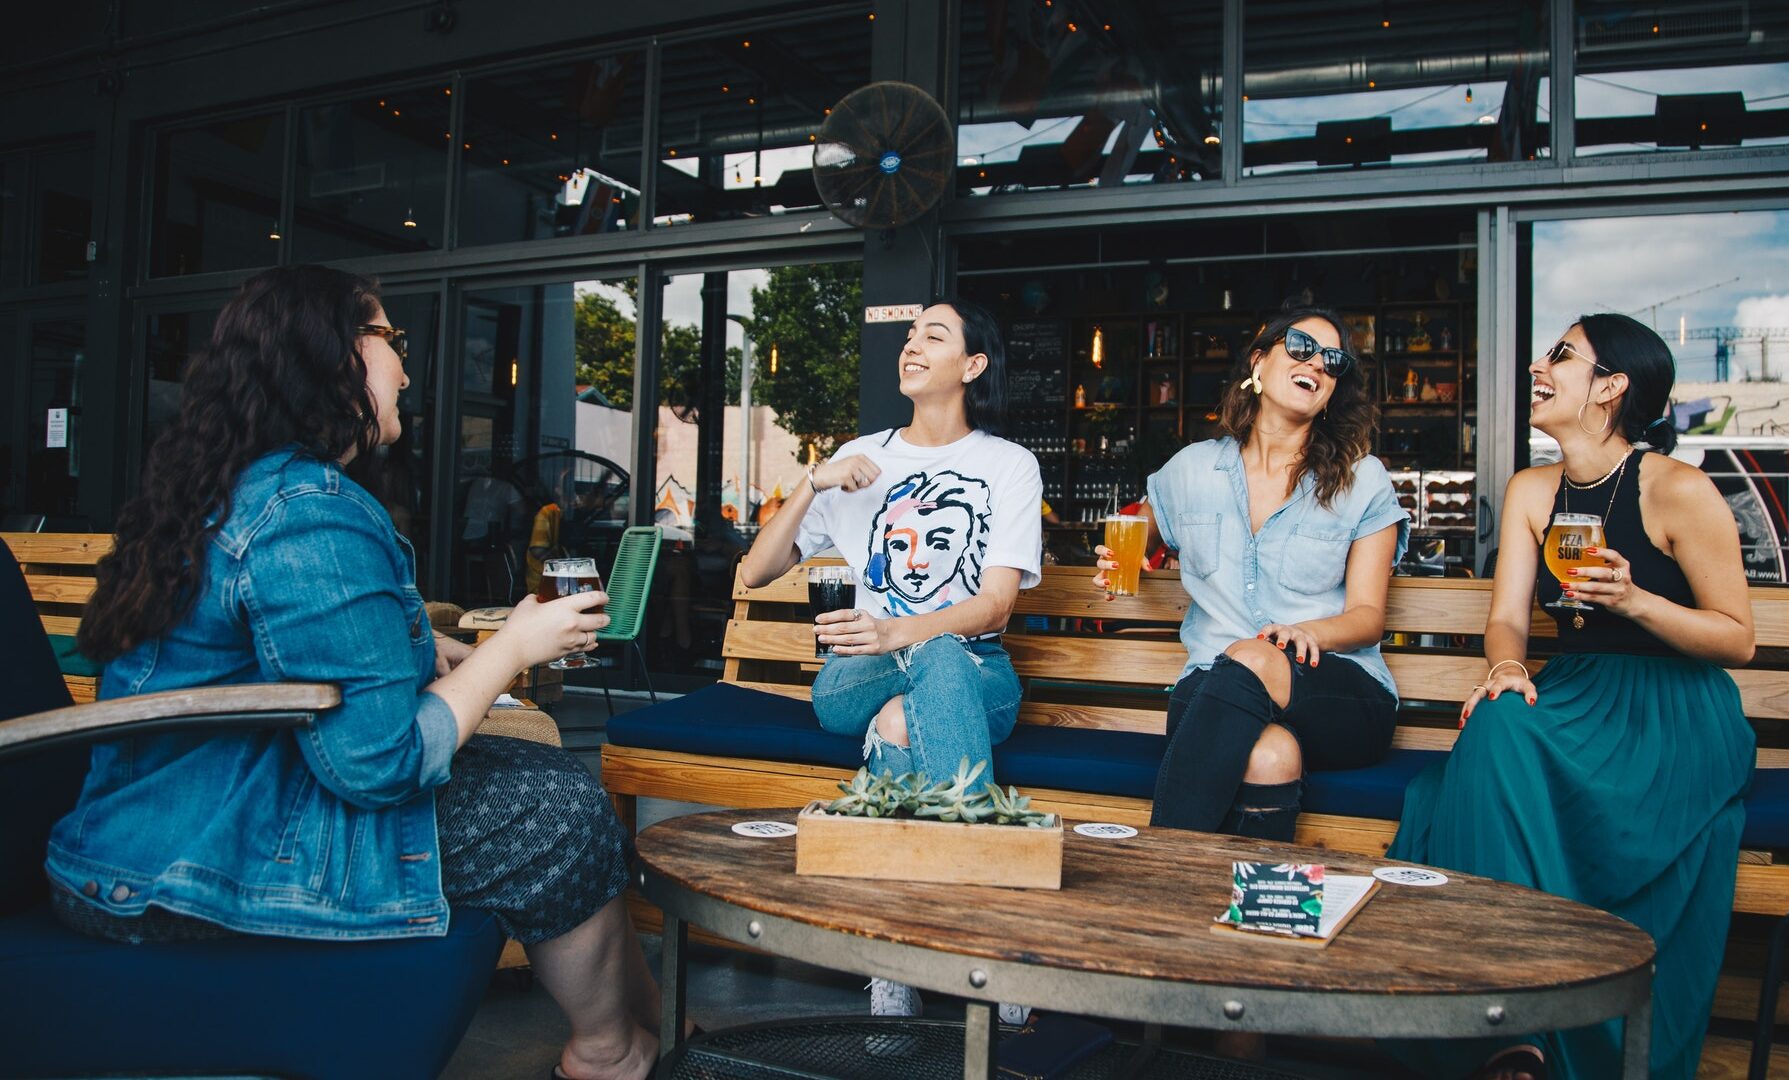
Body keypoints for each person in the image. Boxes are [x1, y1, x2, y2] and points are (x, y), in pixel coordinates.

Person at [52, 267, 666, 1080]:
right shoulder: (307, 511)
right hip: (177, 867)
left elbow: (289, 665)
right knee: (553, 804)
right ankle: (609, 1052)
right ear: (331, 355)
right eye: (391, 342)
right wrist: (509, 649)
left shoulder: (242, 488)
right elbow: (376, 763)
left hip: (155, 831)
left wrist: (430, 652)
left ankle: (651, 1025)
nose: (407, 373)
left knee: (534, 772)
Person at [1388, 315, 1755, 1080]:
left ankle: (1542, 1024)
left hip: (1672, 710)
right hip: (1577, 695)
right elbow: (1507, 620)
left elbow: (1737, 638)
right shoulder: (1533, 490)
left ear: (1611, 388)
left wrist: (1636, 602)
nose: (1536, 365)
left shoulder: (1679, 491)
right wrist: (1509, 669)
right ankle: (1503, 1031)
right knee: (1494, 724)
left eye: (1560, 355)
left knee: (1484, 759)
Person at [739, 298, 1043, 1021]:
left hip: (976, 674)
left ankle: (893, 961)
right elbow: (753, 571)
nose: (912, 346)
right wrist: (814, 479)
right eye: (908, 336)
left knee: (908, 717)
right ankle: (982, 933)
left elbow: (996, 605)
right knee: (919, 663)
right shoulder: (859, 459)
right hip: (853, 679)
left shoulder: (1007, 466)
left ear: (971, 366)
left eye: (933, 335)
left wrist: (900, 631)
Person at [1099, 305, 1408, 847]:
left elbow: (1367, 618)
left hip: (1335, 689)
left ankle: (1156, 866)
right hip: (1213, 690)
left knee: (1253, 654)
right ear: (1259, 361)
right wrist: (1119, 558)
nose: (1318, 362)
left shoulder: (1363, 480)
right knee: (1269, 756)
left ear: (1334, 390)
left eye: (1333, 361)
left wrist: (1308, 633)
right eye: (1301, 346)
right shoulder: (1191, 470)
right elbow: (1137, 534)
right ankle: (1249, 916)